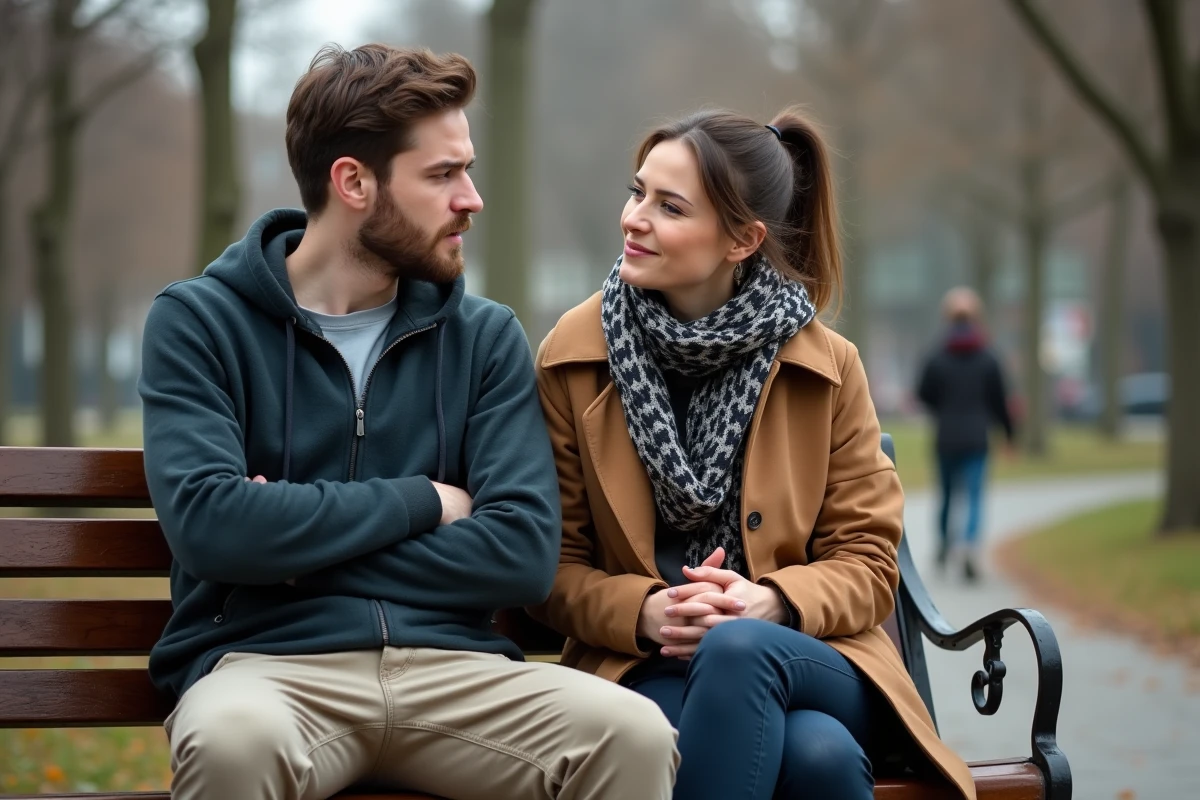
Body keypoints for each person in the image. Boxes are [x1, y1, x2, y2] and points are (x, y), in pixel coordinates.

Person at [138, 43, 677, 800]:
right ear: (353, 181)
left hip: (457, 671)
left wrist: (283, 546)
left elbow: (521, 552)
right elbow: (212, 527)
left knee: (632, 734)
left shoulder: (483, 337)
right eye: (443, 174)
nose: (472, 198)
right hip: (267, 671)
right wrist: (424, 502)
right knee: (232, 743)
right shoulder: (200, 322)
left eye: (468, 168)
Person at [529, 108, 976, 800]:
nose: (634, 218)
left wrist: (769, 602)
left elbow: (867, 562)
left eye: (669, 206)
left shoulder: (827, 366)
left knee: (738, 650)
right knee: (819, 759)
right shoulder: (575, 354)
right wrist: (647, 611)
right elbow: (550, 564)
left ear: (742, 240)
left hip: (809, 656)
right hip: (642, 662)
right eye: (636, 191)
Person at [916, 287, 1016, 582]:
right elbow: (1000, 401)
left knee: (946, 496)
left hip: (945, 437)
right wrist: (1010, 436)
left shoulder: (936, 355)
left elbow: (923, 393)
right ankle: (969, 547)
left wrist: (941, 409)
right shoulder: (988, 357)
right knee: (973, 497)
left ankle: (945, 544)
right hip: (976, 437)